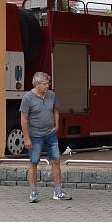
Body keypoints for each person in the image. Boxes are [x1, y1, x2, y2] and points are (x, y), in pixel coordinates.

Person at [20, 71, 72, 202]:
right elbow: (24, 119)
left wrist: (57, 124)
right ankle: (33, 192)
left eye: (48, 83)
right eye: (45, 84)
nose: (48, 86)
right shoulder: (28, 98)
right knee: (33, 162)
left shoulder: (51, 95)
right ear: (37, 84)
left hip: (50, 134)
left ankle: (58, 191)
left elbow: (55, 110)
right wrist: (26, 137)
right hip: (35, 136)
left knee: (56, 160)